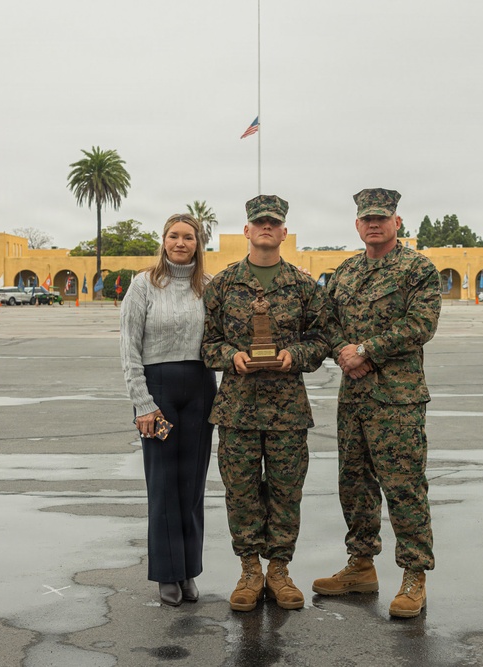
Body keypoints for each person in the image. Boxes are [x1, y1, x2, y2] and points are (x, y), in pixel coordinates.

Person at [312, 188, 441, 619]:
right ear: (356, 224)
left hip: (397, 399)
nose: (374, 224)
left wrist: (365, 350)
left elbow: (421, 324)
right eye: (367, 218)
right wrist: (343, 352)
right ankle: (361, 566)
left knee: (403, 487)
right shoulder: (345, 272)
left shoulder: (417, 269)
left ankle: (414, 575)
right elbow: (325, 322)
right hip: (354, 397)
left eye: (382, 217)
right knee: (354, 484)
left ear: (397, 222)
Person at [201, 194, 328, 612]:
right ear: (247, 231)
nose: (267, 228)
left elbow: (322, 337)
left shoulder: (304, 286)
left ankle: (279, 571)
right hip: (237, 409)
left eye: (274, 222)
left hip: (287, 410)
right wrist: (230, 357)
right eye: (260, 223)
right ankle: (249, 570)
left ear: (284, 232)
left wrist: (298, 355)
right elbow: (205, 343)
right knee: (240, 493)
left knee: (286, 491)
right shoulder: (222, 285)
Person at [120, 213, 217, 607]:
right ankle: (166, 573)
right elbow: (128, 346)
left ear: (198, 243)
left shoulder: (208, 287)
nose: (180, 243)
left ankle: (189, 570)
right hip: (158, 390)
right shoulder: (143, 284)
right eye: (174, 236)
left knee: (192, 486)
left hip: (199, 388)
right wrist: (142, 402)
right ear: (163, 241)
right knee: (162, 484)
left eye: (188, 237)